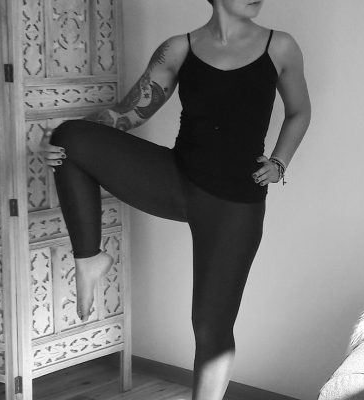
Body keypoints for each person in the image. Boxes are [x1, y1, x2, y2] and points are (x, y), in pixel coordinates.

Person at [39, 0, 310, 398]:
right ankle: (90, 258)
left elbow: (299, 111)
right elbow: (125, 115)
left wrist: (279, 163)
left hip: (234, 202)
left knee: (210, 325)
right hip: (176, 179)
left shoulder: (280, 46)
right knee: (69, 137)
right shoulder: (178, 49)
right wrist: (60, 141)